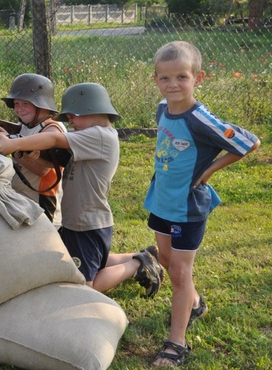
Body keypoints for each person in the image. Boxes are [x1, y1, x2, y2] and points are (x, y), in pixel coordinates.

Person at [0, 82, 165, 297]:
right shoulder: (92, 135)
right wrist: (30, 153)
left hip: (87, 222)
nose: (70, 122)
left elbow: (54, 137)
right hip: (79, 221)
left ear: (92, 109)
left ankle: (139, 263)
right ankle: (145, 255)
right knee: (93, 261)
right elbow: (52, 160)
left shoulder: (100, 136)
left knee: (84, 286)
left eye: (73, 116)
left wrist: (14, 144)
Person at [145, 41, 260, 367]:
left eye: (181, 77)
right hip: (161, 201)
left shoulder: (201, 119)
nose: (173, 85)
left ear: (198, 78)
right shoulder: (161, 109)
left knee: (180, 273)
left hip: (187, 209)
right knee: (165, 259)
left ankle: (176, 342)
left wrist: (209, 170)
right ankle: (193, 303)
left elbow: (248, 142)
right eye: (165, 78)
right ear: (156, 80)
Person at [0, 73, 67, 228]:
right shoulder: (24, 126)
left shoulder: (53, 130)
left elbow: (42, 171)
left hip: (43, 203)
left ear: (41, 104)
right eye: (16, 104)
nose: (19, 109)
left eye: (25, 104)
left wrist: (12, 146)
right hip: (23, 199)